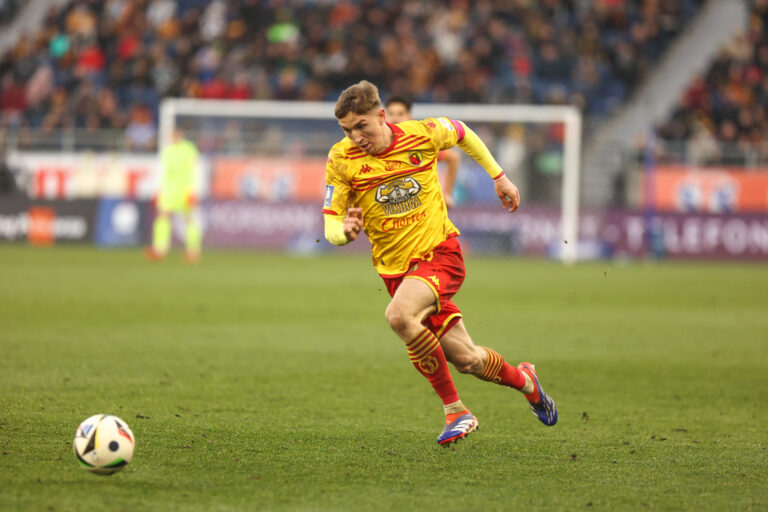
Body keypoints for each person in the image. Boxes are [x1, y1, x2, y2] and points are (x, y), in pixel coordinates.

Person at [323, 80, 557, 446]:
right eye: (347, 130)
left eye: (361, 126)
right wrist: (345, 234)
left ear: (381, 116)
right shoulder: (341, 159)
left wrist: (499, 177)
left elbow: (463, 133)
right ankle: (527, 381)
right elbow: (331, 222)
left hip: (440, 255)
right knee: (468, 360)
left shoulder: (423, 134)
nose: (355, 136)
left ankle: (456, 411)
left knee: (399, 317)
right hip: (397, 274)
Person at [385, 95, 461, 208]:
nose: (395, 119)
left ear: (409, 117)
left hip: (422, 208)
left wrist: (447, 194)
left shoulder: (419, 142)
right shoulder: (378, 145)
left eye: (400, 114)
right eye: (391, 114)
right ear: (384, 117)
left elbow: (453, 157)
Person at [146, 127, 202, 262]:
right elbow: (163, 173)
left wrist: (194, 191)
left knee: (189, 219)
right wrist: (158, 190)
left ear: (181, 135)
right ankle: (160, 248)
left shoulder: (189, 149)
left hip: (186, 189)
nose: (174, 138)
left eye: (176, 135)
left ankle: (193, 250)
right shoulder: (167, 151)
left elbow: (196, 169)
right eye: (172, 136)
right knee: (163, 216)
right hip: (169, 190)